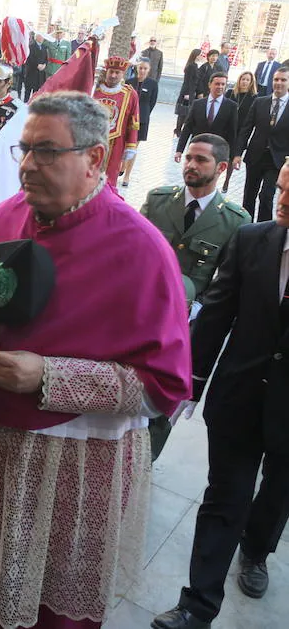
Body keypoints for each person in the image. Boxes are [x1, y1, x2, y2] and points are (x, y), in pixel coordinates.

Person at [0, 91, 191, 629]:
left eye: (47, 152)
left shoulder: (143, 250)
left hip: (68, 466)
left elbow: (163, 388)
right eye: (25, 150)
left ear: (94, 159)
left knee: (38, 607)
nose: (29, 165)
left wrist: (50, 377)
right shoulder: (5, 216)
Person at [151, 162, 289, 629]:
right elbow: (217, 312)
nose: (281, 198)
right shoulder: (253, 239)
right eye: (281, 187)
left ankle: (256, 551)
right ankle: (197, 605)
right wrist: (191, 381)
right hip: (239, 397)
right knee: (223, 497)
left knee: (277, 492)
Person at [141, 133, 251, 460]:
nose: (190, 165)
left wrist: (198, 311)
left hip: (186, 327)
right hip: (142, 313)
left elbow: (226, 286)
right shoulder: (159, 200)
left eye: (200, 160)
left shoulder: (234, 220)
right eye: (189, 157)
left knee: (162, 400)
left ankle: (145, 463)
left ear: (220, 168)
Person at [234, 66, 289, 222]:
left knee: (266, 195)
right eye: (276, 79)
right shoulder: (260, 102)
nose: (279, 83)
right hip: (255, 156)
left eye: (283, 80)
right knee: (249, 194)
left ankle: (263, 229)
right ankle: (246, 227)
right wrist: (238, 153)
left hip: (277, 160)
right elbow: (246, 129)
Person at [175, 72, 238, 191]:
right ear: (210, 85)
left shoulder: (231, 106)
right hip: (197, 149)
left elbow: (232, 133)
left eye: (223, 84)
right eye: (217, 83)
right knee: (194, 177)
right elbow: (187, 127)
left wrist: (233, 156)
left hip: (216, 152)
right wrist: (179, 150)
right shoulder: (198, 104)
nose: (220, 87)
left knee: (209, 179)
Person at [92, 55, 140, 188]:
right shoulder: (94, 90)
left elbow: (134, 122)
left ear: (123, 74)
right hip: (91, 141)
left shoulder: (130, 94)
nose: (113, 75)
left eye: (117, 72)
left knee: (109, 178)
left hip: (116, 143)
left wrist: (131, 145)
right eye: (111, 72)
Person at [121, 58, 159, 187]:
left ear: (148, 70)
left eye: (145, 68)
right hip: (127, 118)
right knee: (123, 144)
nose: (142, 71)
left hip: (142, 120)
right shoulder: (129, 82)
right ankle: (121, 166)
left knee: (133, 147)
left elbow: (152, 102)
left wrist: (144, 114)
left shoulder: (153, 84)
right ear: (137, 68)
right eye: (140, 68)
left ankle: (127, 175)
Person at [175, 48, 202, 136]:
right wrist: (188, 93)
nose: (201, 56)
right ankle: (178, 130)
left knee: (185, 112)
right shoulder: (191, 66)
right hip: (187, 92)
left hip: (190, 91)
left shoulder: (193, 65)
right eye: (200, 55)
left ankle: (179, 129)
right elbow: (189, 81)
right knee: (183, 112)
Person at [23, 32, 48, 102]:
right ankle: (25, 105)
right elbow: (30, 59)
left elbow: (46, 58)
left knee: (36, 92)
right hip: (31, 72)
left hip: (40, 74)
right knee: (28, 91)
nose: (42, 38)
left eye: (43, 37)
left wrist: (45, 65)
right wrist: (37, 65)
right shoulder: (31, 46)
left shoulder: (44, 47)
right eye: (41, 37)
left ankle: (33, 106)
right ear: (36, 38)